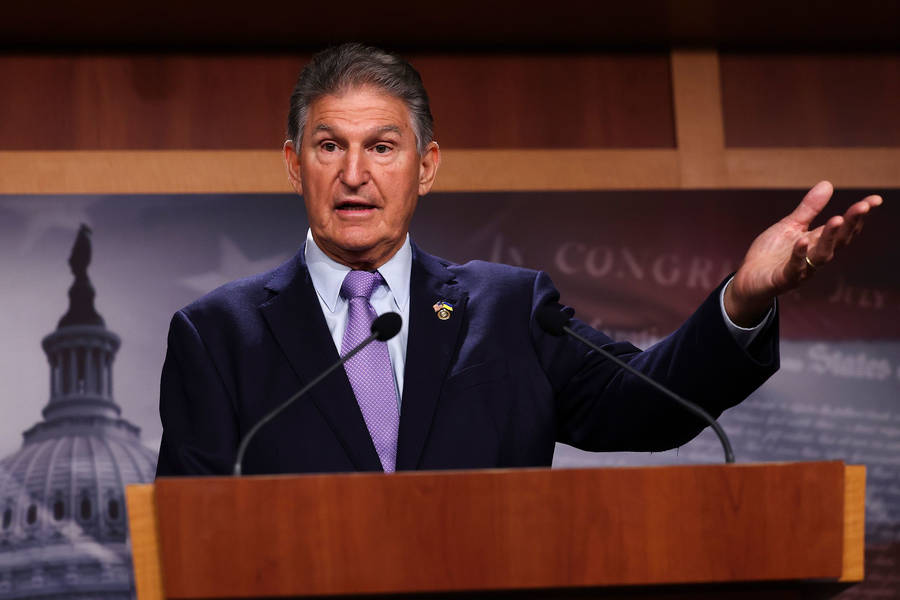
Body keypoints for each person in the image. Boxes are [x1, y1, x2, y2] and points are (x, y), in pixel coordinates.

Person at [155, 43, 882, 477]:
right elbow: (190, 543)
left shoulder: (508, 311)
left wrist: (745, 300)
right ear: (293, 163)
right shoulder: (217, 336)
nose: (354, 174)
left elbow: (650, 403)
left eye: (382, 146)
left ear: (427, 165)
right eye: (328, 146)